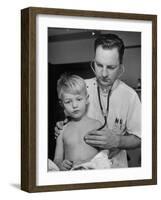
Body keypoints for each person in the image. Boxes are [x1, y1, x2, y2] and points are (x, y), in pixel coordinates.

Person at [55, 34, 141, 168]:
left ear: (120, 67)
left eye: (111, 67)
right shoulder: (80, 88)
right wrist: (61, 128)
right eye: (99, 65)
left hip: (114, 170)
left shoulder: (130, 96)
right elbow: (67, 120)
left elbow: (140, 138)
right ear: (93, 61)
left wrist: (118, 141)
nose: (104, 73)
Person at [54, 73, 112, 171]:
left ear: (86, 99)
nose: (74, 105)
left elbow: (106, 152)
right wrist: (61, 164)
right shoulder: (63, 130)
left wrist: (92, 163)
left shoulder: (97, 125)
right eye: (68, 101)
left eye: (79, 99)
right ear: (61, 104)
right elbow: (57, 159)